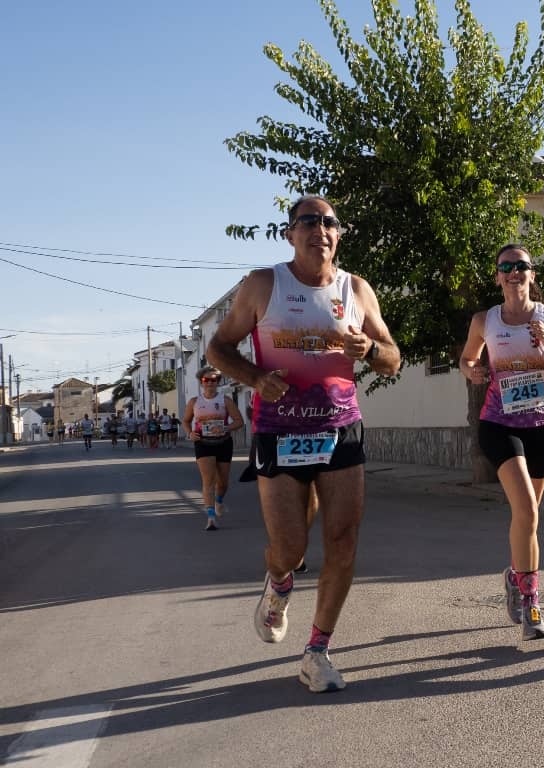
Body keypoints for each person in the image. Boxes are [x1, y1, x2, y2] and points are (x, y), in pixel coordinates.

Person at [207, 194, 400, 693]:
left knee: (343, 541)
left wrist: (370, 348)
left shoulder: (356, 289)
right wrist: (255, 377)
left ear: (339, 234)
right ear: (290, 233)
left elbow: (392, 358)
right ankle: (279, 582)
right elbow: (218, 347)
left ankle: (317, 651)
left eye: (330, 222)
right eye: (308, 221)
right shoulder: (263, 285)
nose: (321, 229)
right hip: (280, 430)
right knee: (291, 547)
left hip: (339, 428)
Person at [458, 244, 544, 642]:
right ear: (498, 276)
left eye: (522, 266)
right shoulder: (485, 320)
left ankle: (515, 574)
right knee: (526, 509)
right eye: (506, 266)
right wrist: (472, 371)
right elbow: (467, 359)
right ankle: (531, 604)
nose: (514, 272)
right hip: (499, 424)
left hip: (541, 425)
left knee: (528, 518)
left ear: (532, 274)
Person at [183, 367, 244, 531]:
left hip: (223, 443)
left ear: (218, 382)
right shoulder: (194, 402)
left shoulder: (225, 400)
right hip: (203, 443)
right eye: (206, 380)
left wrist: (225, 428)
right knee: (208, 481)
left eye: (214, 380)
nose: (210, 383)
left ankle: (219, 500)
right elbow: (186, 421)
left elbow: (239, 421)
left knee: (223, 483)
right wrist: (190, 434)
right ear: (201, 382)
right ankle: (210, 517)